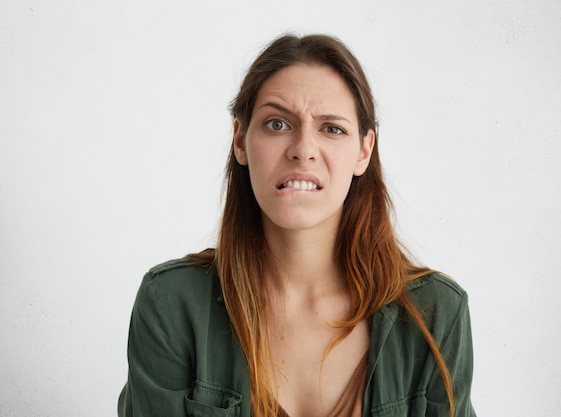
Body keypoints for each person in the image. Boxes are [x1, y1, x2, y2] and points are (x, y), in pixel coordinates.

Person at [118, 33, 476, 417]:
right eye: (277, 124)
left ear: (363, 151)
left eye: (332, 128)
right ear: (240, 140)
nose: (303, 149)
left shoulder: (436, 314)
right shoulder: (171, 304)